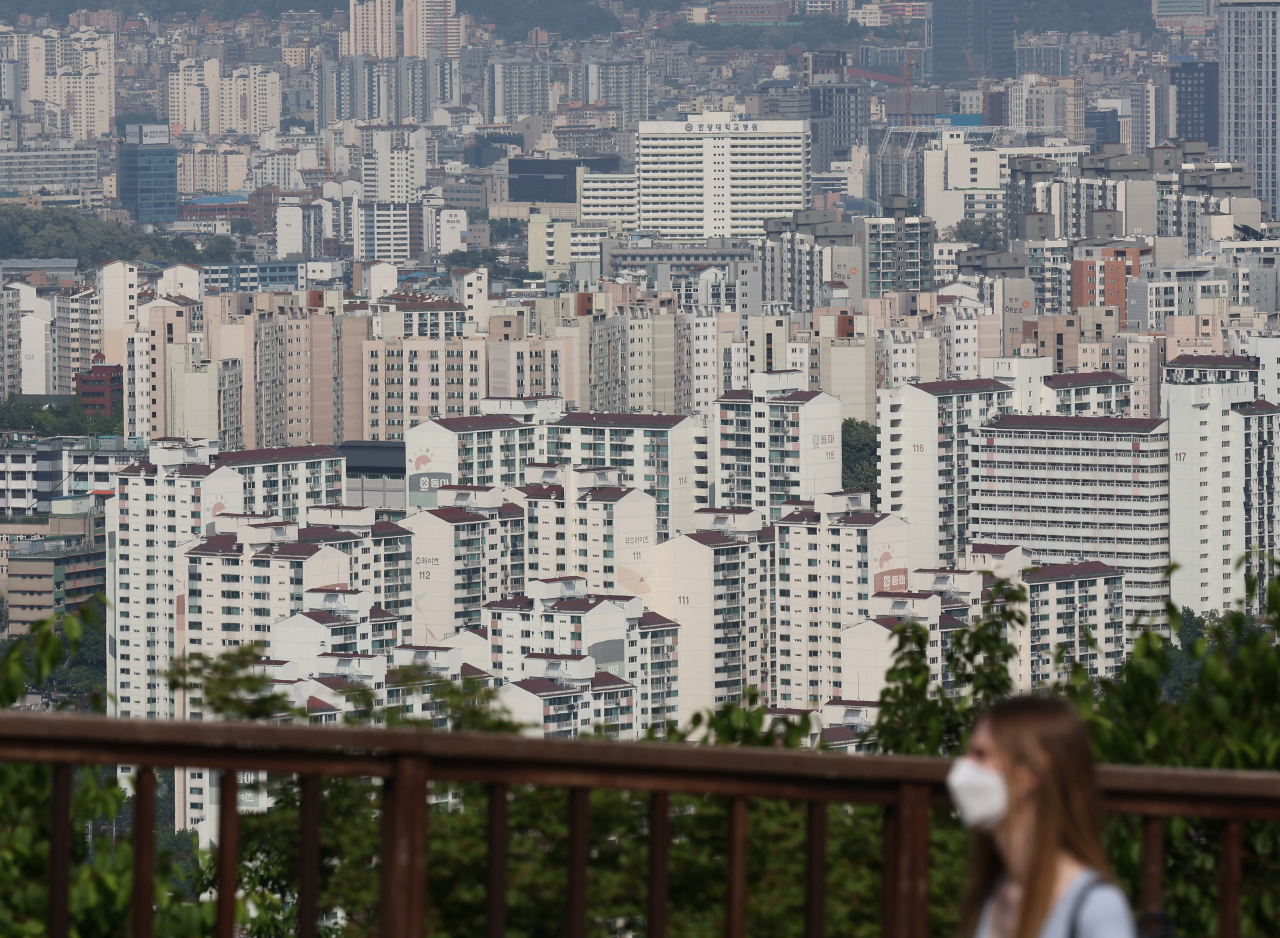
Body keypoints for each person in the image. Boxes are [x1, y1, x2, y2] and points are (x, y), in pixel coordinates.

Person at [946, 697, 1136, 938]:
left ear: (1030, 773)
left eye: (981, 755)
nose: (965, 767)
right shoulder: (994, 892)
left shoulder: (1096, 908)